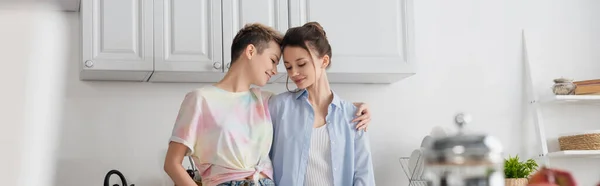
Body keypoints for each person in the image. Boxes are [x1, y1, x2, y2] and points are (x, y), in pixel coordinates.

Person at [164, 23, 372, 186]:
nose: (280, 71)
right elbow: (172, 163)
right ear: (251, 51)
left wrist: (353, 109)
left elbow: (317, 107)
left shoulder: (264, 100)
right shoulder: (202, 99)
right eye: (278, 62)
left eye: (298, 64)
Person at [269, 22, 376, 186]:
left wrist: (350, 108)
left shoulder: (353, 116)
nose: (293, 73)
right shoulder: (278, 107)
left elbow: (363, 175)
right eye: (288, 67)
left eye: (301, 64)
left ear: (324, 61)